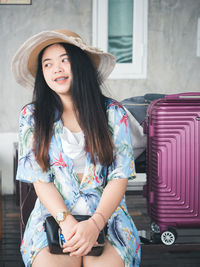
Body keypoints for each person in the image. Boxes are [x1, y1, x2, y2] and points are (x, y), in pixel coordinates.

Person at [12, 29, 141, 267]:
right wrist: (67, 222)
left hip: (107, 218)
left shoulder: (113, 113)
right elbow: (40, 180)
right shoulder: (31, 116)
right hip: (52, 217)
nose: (56, 69)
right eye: (47, 64)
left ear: (81, 65)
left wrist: (94, 224)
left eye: (64, 60)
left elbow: (118, 178)